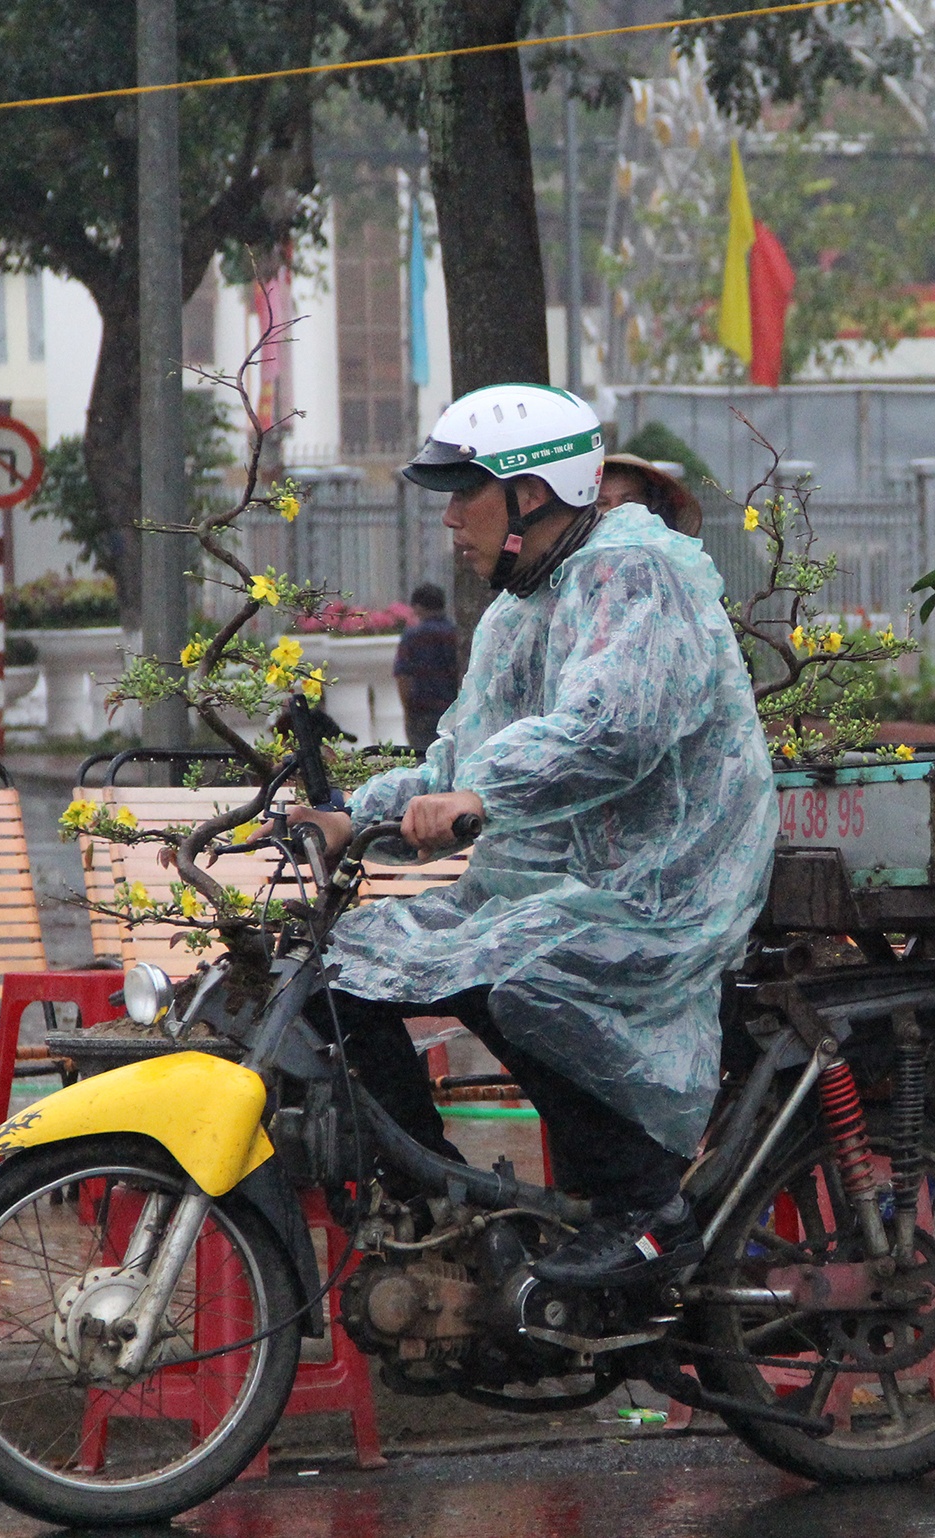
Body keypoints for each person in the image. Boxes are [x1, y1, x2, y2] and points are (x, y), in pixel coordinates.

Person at [287, 383, 775, 1289]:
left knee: (506, 973)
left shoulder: (633, 574)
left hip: (660, 891)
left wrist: (481, 793)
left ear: (531, 493)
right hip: (551, 889)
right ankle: (437, 1203)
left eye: (463, 493)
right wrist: (357, 816)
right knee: (337, 971)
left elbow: (614, 729)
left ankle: (648, 1211)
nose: (449, 519)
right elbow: (459, 757)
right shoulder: (523, 608)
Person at [391, 583, 460, 753]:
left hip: (422, 712)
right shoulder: (456, 634)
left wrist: (407, 711)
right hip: (452, 710)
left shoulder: (412, 636)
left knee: (423, 757)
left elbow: (403, 677)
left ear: (418, 607)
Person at [595, 453, 701, 536]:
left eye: (628, 502)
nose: (615, 510)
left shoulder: (672, 555)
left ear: (651, 504)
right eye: (602, 503)